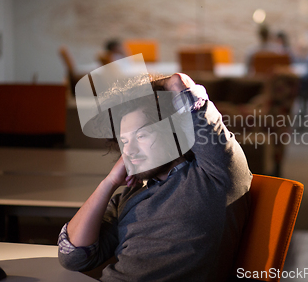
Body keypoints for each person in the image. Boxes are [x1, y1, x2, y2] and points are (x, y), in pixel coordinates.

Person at [58, 73, 252, 281]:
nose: (129, 150)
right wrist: (109, 183)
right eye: (124, 141)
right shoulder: (130, 196)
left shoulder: (214, 174)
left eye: (141, 136)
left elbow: (180, 83)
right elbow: (73, 257)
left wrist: (145, 90)